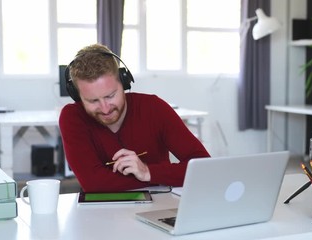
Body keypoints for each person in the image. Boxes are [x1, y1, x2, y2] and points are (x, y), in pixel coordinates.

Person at [59, 44, 210, 192]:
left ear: (124, 82)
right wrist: (158, 177)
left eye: (110, 96)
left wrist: (147, 172)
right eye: (93, 101)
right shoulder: (72, 117)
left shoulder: (153, 107)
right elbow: (94, 183)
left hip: (158, 208)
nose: (105, 109)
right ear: (77, 96)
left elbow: (204, 168)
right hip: (100, 212)